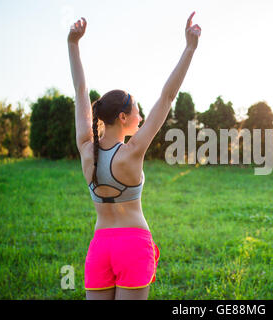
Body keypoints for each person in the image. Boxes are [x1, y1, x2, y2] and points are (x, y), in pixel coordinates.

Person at [67, 12, 201, 300]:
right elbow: (167, 96)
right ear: (123, 116)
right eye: (138, 110)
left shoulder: (85, 148)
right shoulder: (132, 152)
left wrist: (73, 44)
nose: (141, 116)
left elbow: (80, 91)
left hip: (100, 248)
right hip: (133, 245)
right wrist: (190, 48)